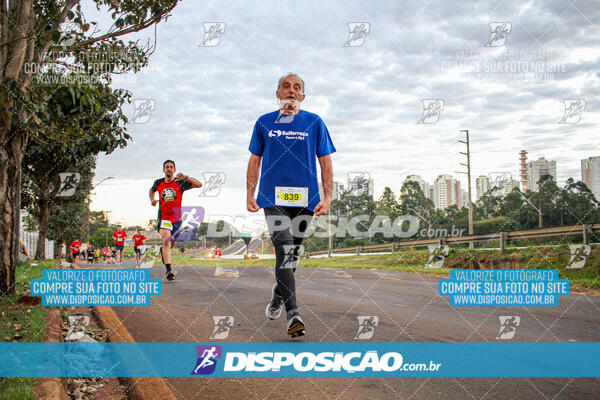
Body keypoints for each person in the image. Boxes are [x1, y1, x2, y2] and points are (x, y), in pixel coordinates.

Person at [246, 73, 335, 338]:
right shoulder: (264, 123)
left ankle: (278, 294)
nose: (291, 90)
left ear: (303, 96)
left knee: (292, 254)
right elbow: (254, 161)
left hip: (305, 198)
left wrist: (327, 197)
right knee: (284, 249)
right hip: (273, 197)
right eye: (286, 86)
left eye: (297, 87)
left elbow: (326, 162)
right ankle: (293, 313)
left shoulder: (314, 122)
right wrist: (250, 193)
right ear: (277, 93)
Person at [149, 160, 202, 280]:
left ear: (174, 170)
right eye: (167, 167)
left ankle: (163, 251)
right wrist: (152, 199)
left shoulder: (180, 183)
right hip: (164, 217)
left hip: (177, 218)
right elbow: (151, 190)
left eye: (171, 167)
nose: (169, 169)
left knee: (171, 243)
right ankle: (168, 270)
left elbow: (199, 185)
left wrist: (186, 177)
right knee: (166, 241)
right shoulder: (158, 183)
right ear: (163, 170)